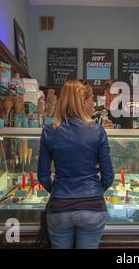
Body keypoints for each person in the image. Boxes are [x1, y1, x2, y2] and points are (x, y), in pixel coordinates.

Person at [37, 80, 114, 249]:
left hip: (59, 209)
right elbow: (108, 177)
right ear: (82, 102)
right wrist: (94, 191)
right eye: (91, 99)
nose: (94, 103)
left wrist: (57, 190)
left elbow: (42, 175)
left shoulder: (49, 131)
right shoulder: (97, 130)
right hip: (92, 208)